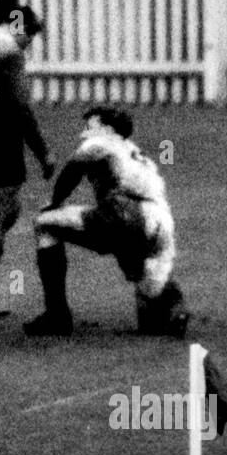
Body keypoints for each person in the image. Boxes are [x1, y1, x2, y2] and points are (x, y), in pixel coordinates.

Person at [26, 106, 188, 339]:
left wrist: (54, 202)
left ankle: (57, 315)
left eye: (90, 126)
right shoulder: (136, 153)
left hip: (126, 214)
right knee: (150, 302)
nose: (85, 131)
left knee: (44, 224)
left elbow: (71, 172)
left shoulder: (101, 143)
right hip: (161, 221)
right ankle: (174, 310)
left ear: (107, 128)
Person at [0, 6, 56, 314]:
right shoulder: (9, 51)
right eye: (29, 38)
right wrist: (43, 151)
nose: (28, 46)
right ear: (21, 28)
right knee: (1, 214)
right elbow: (20, 107)